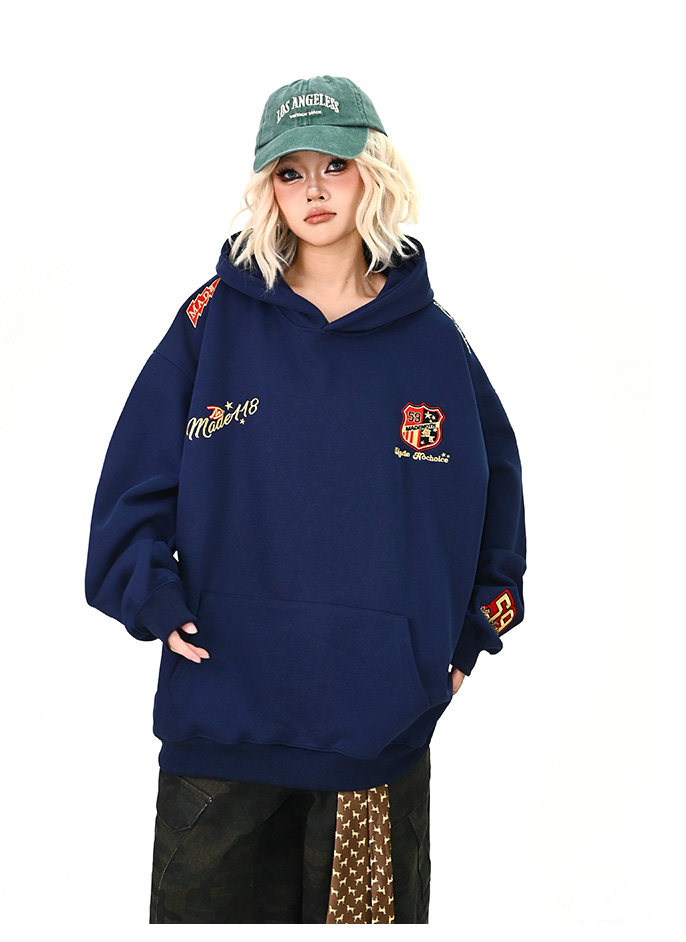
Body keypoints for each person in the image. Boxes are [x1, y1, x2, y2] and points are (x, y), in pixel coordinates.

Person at [84, 74, 527, 924]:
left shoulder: (434, 342)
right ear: (268, 189)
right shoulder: (211, 321)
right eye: (290, 172)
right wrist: (150, 596)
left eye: (335, 165)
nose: (314, 190)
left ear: (374, 173)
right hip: (222, 715)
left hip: (375, 729)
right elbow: (132, 482)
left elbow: (498, 496)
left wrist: (474, 630)